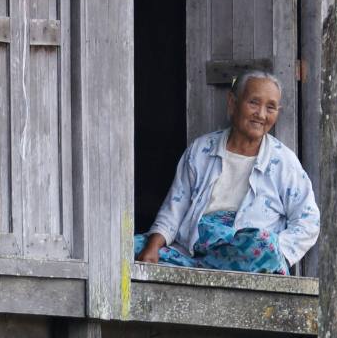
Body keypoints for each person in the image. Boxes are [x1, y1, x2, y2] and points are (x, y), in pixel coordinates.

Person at [135, 70, 319, 274]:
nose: (261, 114)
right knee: (127, 248)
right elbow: (175, 209)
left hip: (243, 252)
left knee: (260, 244)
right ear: (233, 103)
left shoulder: (284, 162)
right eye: (254, 103)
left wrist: (277, 253)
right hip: (191, 251)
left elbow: (308, 221)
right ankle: (202, 267)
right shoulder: (201, 150)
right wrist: (152, 248)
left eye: (271, 107)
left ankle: (230, 265)